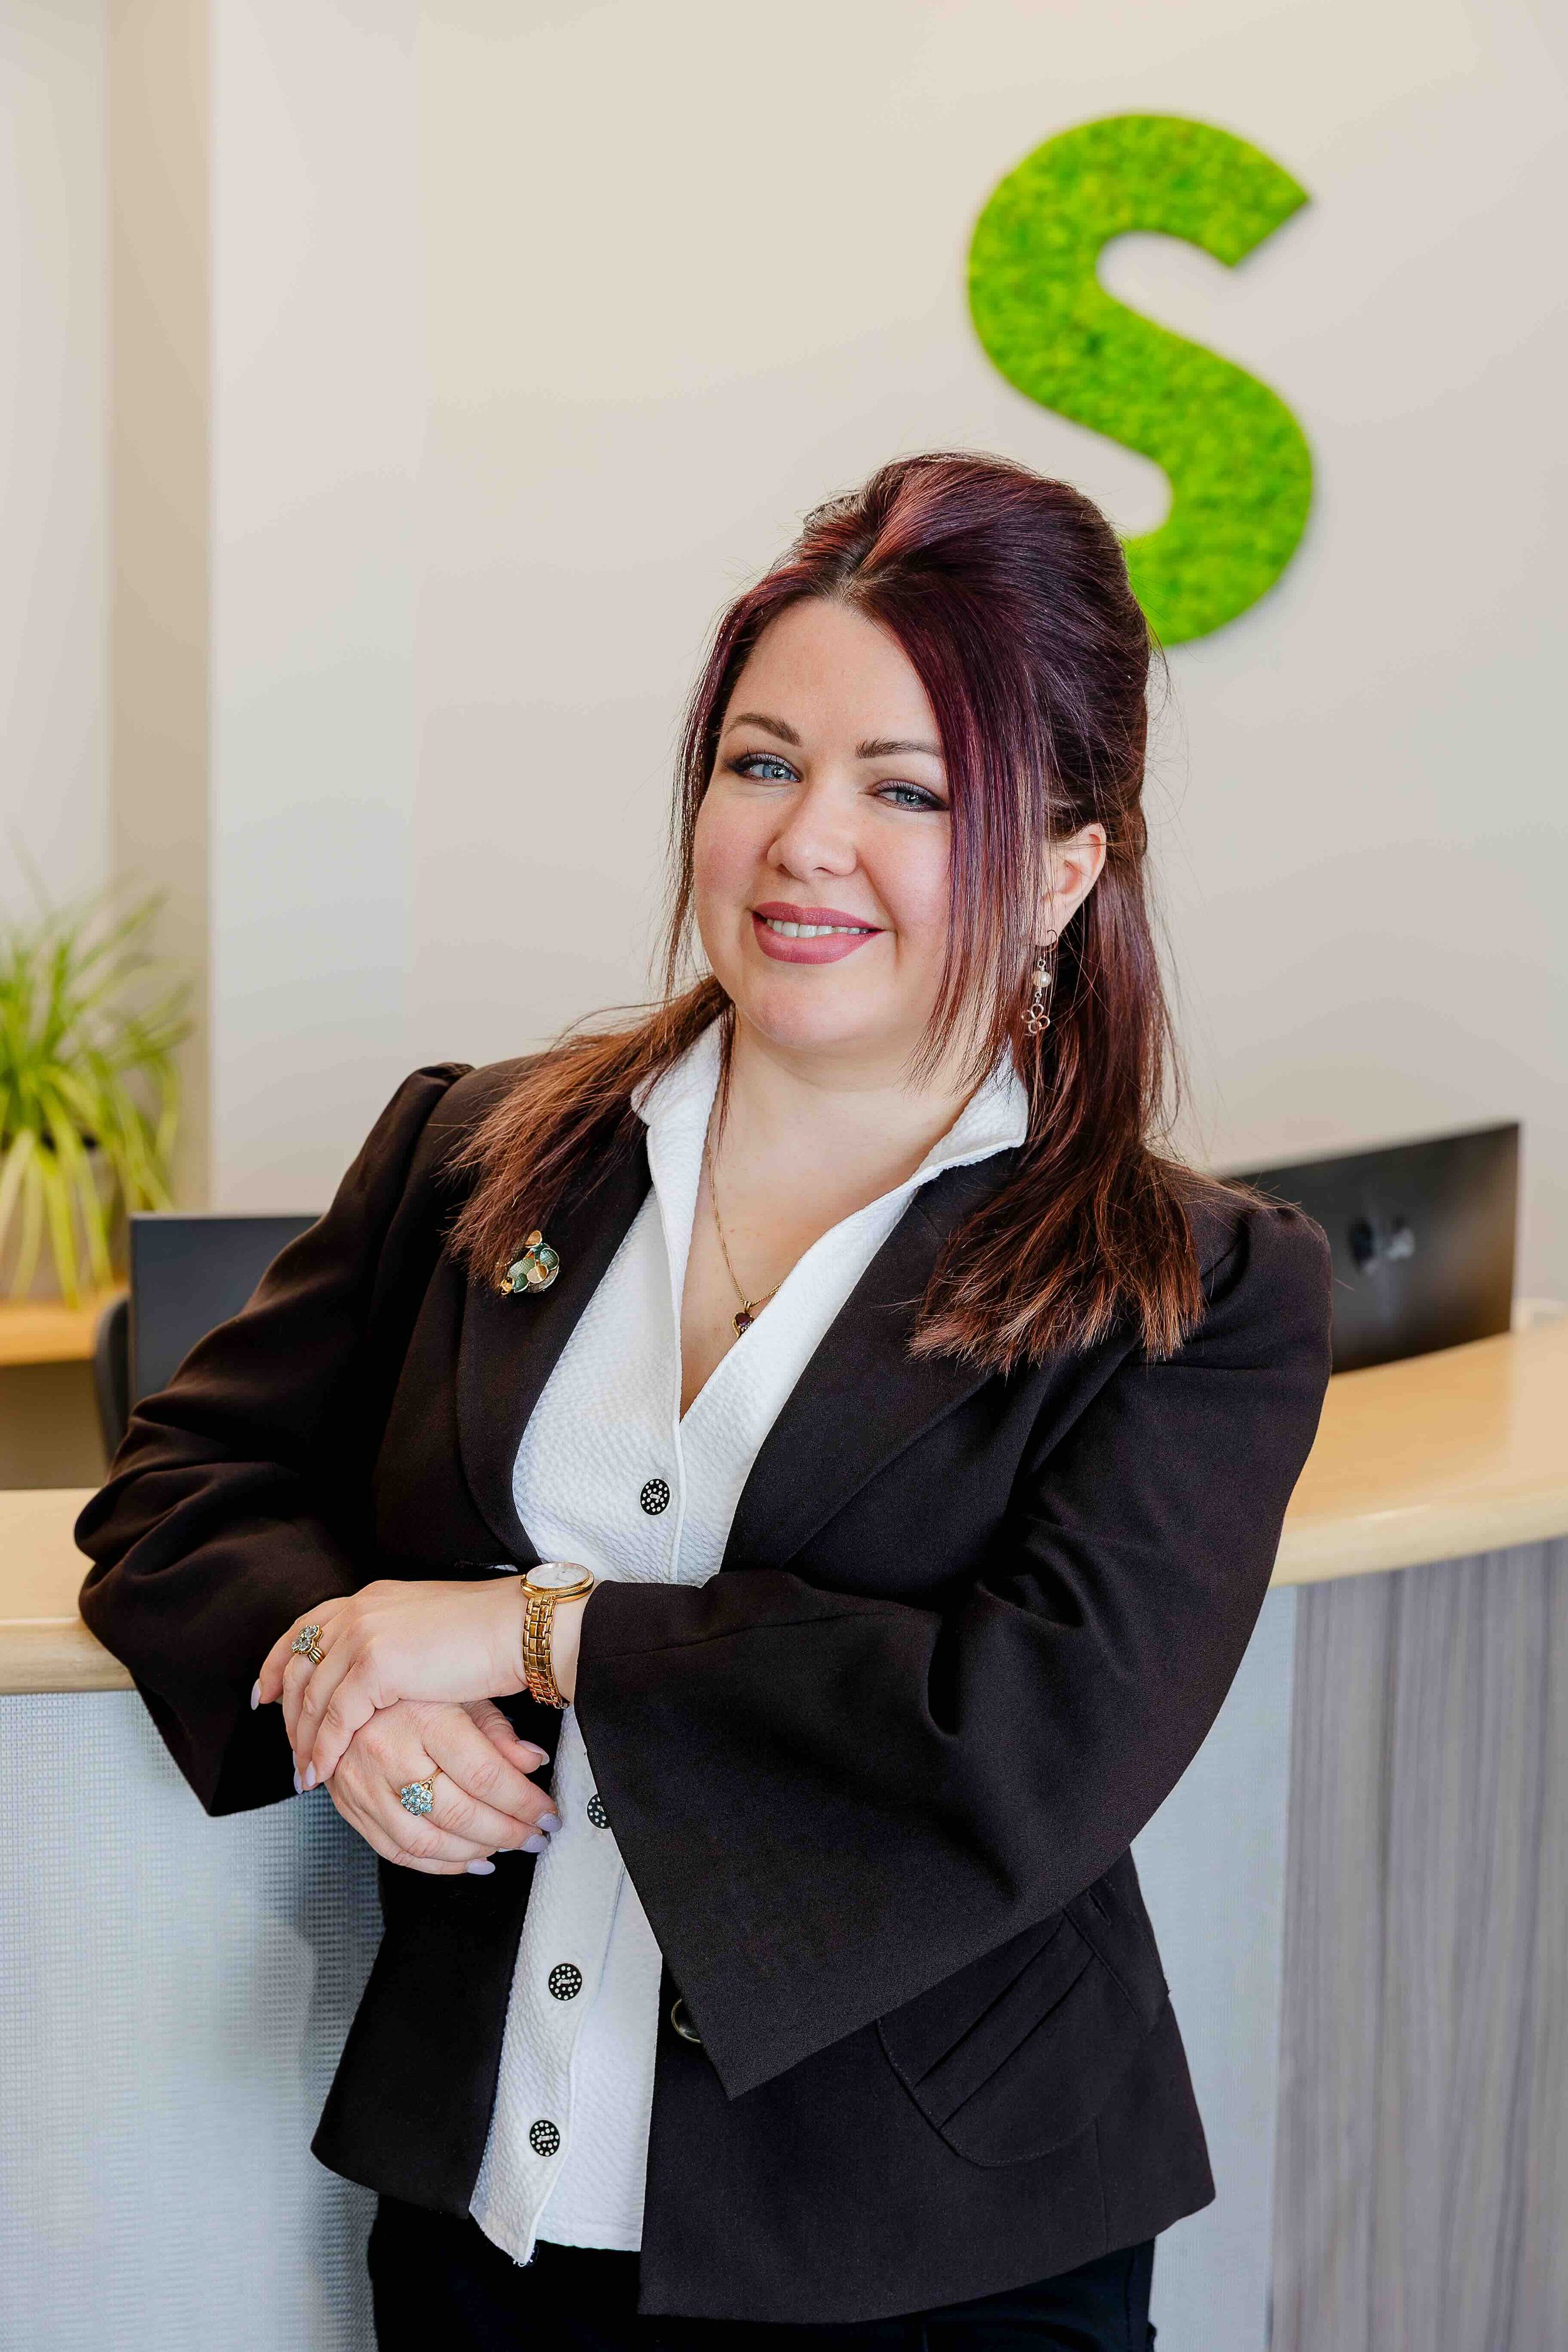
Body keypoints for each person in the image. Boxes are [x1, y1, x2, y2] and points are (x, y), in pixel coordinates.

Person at [76, 451, 1333, 2350]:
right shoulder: (479, 1149)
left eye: (906, 790)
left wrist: (535, 1634)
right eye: (762, 762)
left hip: (934, 2251)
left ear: (1065, 864)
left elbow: (1021, 1743)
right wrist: (332, 1667)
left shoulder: (1195, 1288)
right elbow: (186, 1477)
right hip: (486, 2212)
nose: (804, 841)